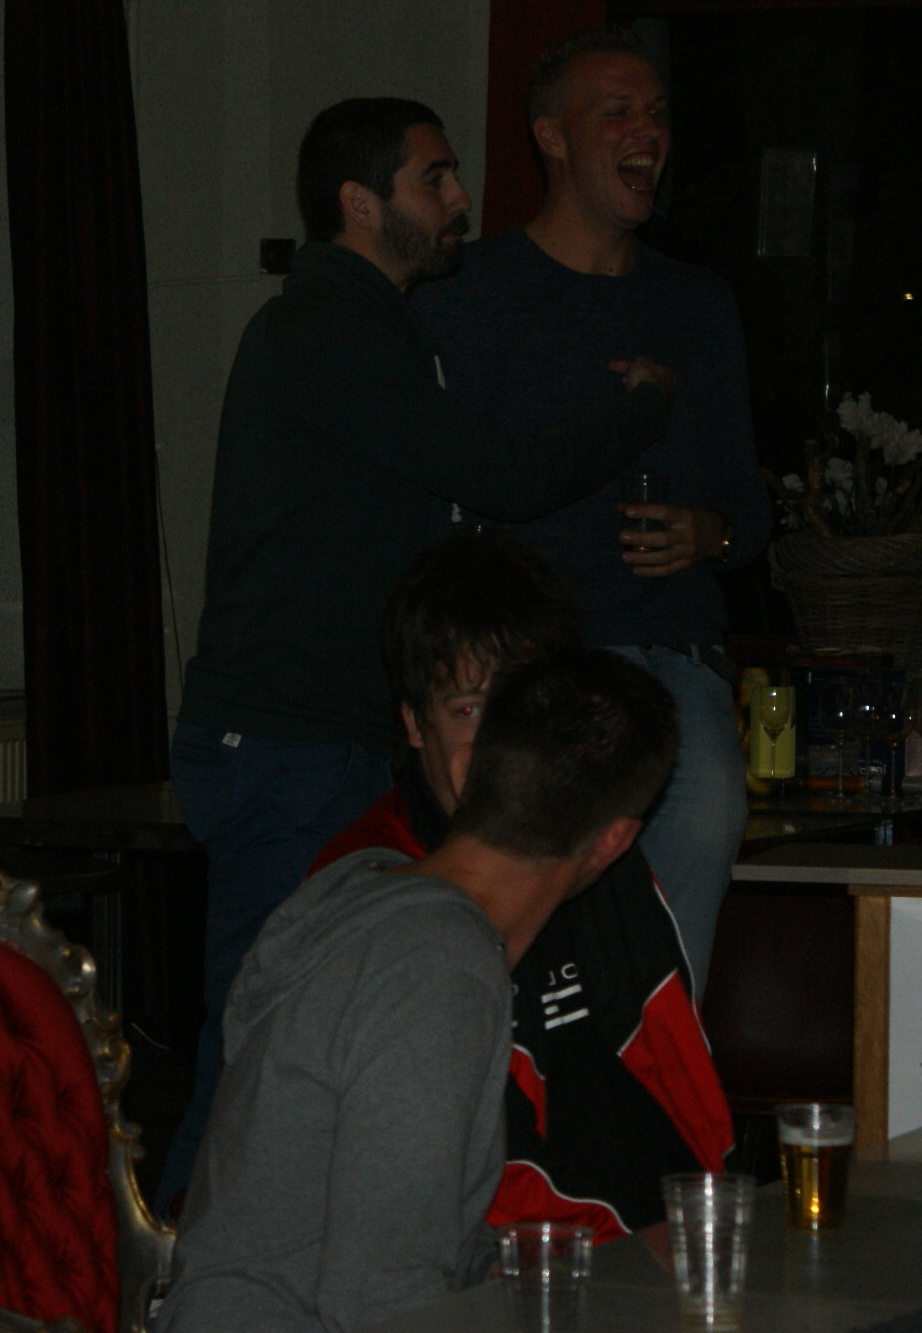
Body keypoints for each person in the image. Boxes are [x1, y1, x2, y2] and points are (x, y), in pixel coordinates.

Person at [157, 96, 680, 1205]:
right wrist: (639, 410)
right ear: (360, 203)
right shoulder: (324, 331)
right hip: (287, 741)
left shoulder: (375, 329)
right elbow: (502, 477)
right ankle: (181, 1282)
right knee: (258, 1043)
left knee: (298, 1031)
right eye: (433, 178)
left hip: (320, 738)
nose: (459, 198)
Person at [160, 648, 680, 1333]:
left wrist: (608, 1266)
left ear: (468, 768)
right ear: (613, 841)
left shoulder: (359, 887)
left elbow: (410, 1250)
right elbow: (382, 1301)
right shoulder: (438, 971)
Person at [416, 28, 771, 995]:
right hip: (536, 661)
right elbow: (445, 497)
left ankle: (659, 1061)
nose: (646, 131)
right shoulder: (474, 294)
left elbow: (749, 507)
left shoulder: (698, 304)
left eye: (656, 113)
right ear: (552, 138)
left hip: (672, 650)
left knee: (706, 811)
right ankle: (524, 1062)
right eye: (617, 112)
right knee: (538, 881)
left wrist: (711, 533)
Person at [309, 534, 734, 1241]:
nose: (499, 745)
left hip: (637, 1249)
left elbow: (681, 1079)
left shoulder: (597, 850)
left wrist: (708, 1222)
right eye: (469, 709)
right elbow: (458, 1184)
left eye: (517, 708)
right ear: (413, 722)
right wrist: (640, 1251)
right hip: (514, 1269)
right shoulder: (377, 885)